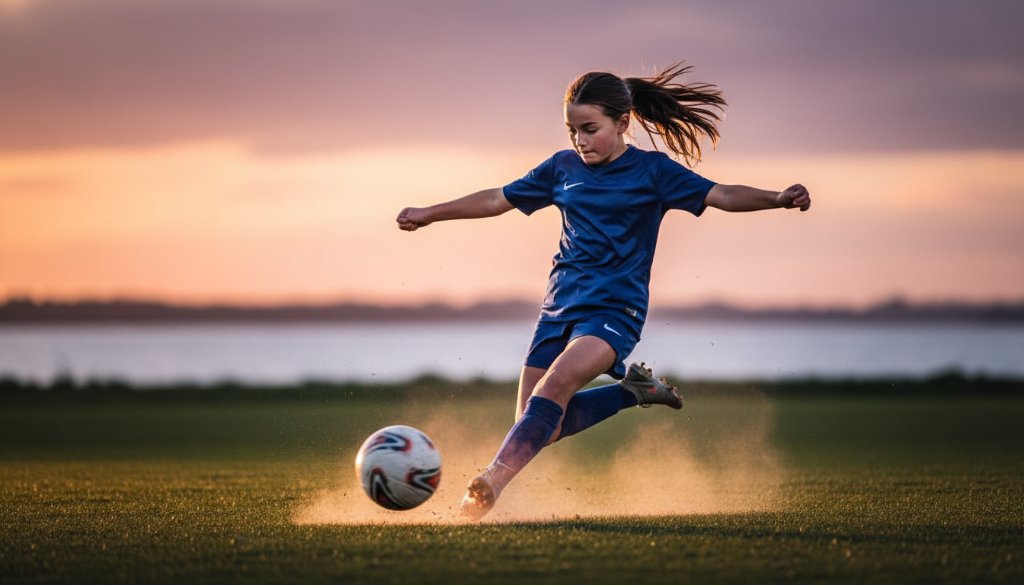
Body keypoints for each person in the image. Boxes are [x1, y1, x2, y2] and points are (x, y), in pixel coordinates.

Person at [396, 63, 811, 520]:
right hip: (558, 309)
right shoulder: (562, 168)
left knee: (553, 389)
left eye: (590, 129)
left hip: (615, 310)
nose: (580, 140)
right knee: (539, 425)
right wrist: (430, 212)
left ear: (623, 122)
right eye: (572, 130)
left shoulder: (653, 171)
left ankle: (488, 483)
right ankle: (632, 392)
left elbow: (722, 194)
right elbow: (497, 199)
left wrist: (776, 198)